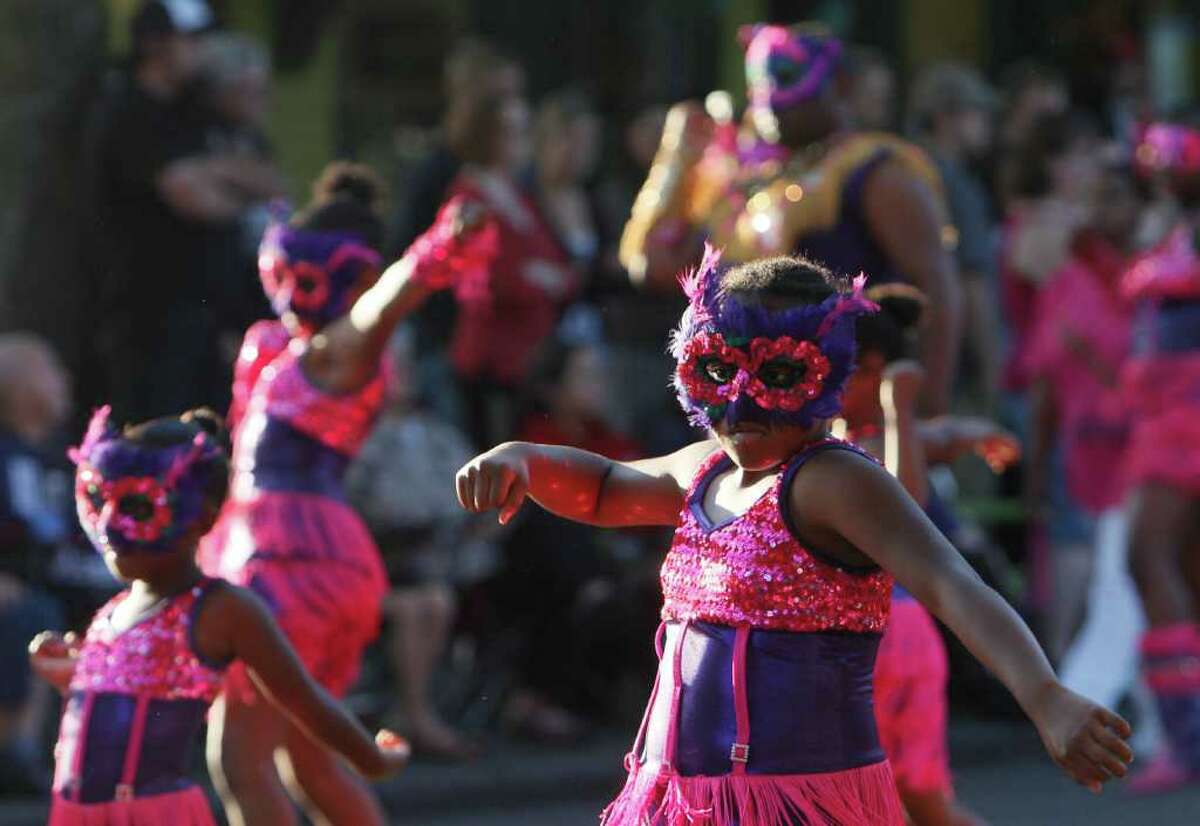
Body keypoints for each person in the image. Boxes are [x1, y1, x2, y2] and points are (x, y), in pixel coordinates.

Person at [457, 251, 1132, 824]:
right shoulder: (704, 470)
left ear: (826, 377)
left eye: (777, 374)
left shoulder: (835, 480)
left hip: (799, 803)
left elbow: (951, 583)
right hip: (680, 800)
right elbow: (606, 488)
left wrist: (1045, 695)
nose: (741, 404)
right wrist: (523, 457)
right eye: (720, 373)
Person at [198, 162, 492, 825]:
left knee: (240, 759)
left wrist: (438, 247)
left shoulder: (339, 350)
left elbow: (388, 301)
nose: (288, 293)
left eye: (304, 278)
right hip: (308, 561)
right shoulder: (291, 350)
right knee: (306, 760)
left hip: (289, 564)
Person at [30, 407, 408, 826]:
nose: (110, 525)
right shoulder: (113, 611)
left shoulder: (220, 608)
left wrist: (373, 759)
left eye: (137, 506)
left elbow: (302, 698)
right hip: (74, 815)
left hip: (159, 816)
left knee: (247, 767)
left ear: (203, 516)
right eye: (100, 501)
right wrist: (75, 672)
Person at [620, 24, 962, 417]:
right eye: (757, 80)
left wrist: (927, 411)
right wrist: (677, 161)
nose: (769, 97)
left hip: (853, 413)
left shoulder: (873, 172)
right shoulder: (751, 185)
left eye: (784, 77)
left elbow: (938, 287)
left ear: (840, 85)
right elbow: (652, 267)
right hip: (755, 411)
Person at [839, 286, 1015, 826]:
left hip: (892, 640)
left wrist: (903, 413)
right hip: (854, 641)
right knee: (894, 803)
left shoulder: (885, 440)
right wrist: (977, 433)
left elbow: (905, 506)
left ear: (873, 370)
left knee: (917, 800)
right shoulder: (845, 441)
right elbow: (946, 434)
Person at [88, 0, 284, 421]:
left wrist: (211, 171)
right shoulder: (129, 109)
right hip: (150, 315)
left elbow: (269, 182)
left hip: (208, 317)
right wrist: (233, 191)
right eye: (192, 39)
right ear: (156, 45)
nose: (203, 49)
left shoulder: (196, 111)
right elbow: (193, 198)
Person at [346, 328, 498, 761]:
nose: (405, 374)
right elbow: (358, 506)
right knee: (422, 605)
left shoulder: (435, 432)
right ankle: (415, 715)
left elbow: (477, 491)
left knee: (435, 599)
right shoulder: (356, 437)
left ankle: (411, 712)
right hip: (373, 567)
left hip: (439, 563)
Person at [1122, 118, 1200, 787]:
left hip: (1187, 422)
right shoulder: (1174, 228)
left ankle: (1189, 743)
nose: (1161, 164)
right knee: (1179, 570)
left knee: (1148, 558)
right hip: (1163, 420)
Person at [445, 94, 578, 446]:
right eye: (509, 131)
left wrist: (540, 274)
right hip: (489, 360)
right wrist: (534, 277)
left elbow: (554, 259)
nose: (520, 141)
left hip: (530, 358)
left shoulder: (517, 193)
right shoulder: (468, 195)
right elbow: (481, 278)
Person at [0, 335, 75, 794]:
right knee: (34, 618)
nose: (65, 381)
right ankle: (16, 751)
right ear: (24, 388)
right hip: (20, 593)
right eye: (52, 371)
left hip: (66, 582)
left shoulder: (65, 460)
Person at [907, 64, 1003, 411]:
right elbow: (972, 282)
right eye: (978, 113)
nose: (987, 125)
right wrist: (993, 372)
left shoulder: (906, 170)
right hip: (956, 373)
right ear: (946, 116)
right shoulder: (955, 184)